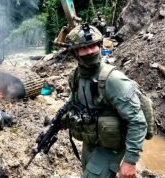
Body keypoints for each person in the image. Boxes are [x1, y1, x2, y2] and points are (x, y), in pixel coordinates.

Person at [63, 23, 147, 178]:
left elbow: (138, 121)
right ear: (75, 53)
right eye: (84, 48)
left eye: (93, 46)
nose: (90, 51)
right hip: (92, 141)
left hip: (112, 145)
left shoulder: (113, 80)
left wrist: (130, 161)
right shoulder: (75, 76)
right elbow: (73, 101)